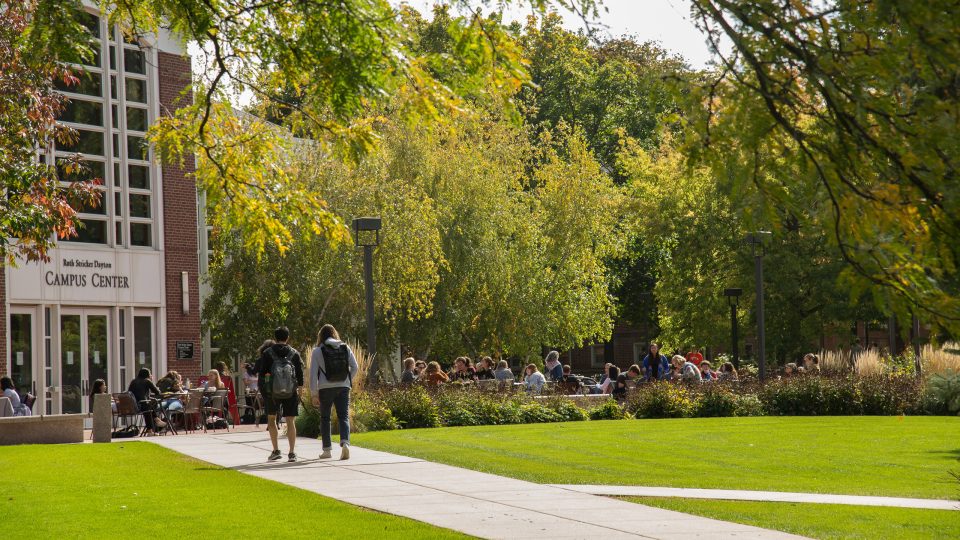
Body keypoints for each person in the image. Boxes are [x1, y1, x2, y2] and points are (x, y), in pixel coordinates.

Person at [310, 324, 359, 461]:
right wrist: (347, 379)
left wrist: (314, 393)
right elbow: (355, 367)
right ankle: (345, 444)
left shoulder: (317, 351)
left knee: (325, 418)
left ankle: (327, 450)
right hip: (344, 387)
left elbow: (313, 373)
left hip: (325, 388)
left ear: (321, 336)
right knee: (343, 416)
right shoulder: (345, 347)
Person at [256, 326, 304, 462]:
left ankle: (276, 450)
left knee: (272, 419)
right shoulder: (294, 353)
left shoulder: (267, 353)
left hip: (272, 393)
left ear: (275, 337)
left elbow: (262, 374)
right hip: (290, 392)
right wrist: (299, 389)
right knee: (290, 421)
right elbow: (300, 374)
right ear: (287, 337)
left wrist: (265, 391)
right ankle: (292, 452)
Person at [128, 368, 163, 433]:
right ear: (147, 375)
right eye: (150, 374)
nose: (151, 375)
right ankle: (154, 424)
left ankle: (155, 422)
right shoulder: (147, 381)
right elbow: (158, 392)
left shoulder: (133, 381)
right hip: (142, 406)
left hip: (134, 405)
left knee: (148, 406)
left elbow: (130, 392)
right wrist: (151, 381)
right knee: (149, 407)